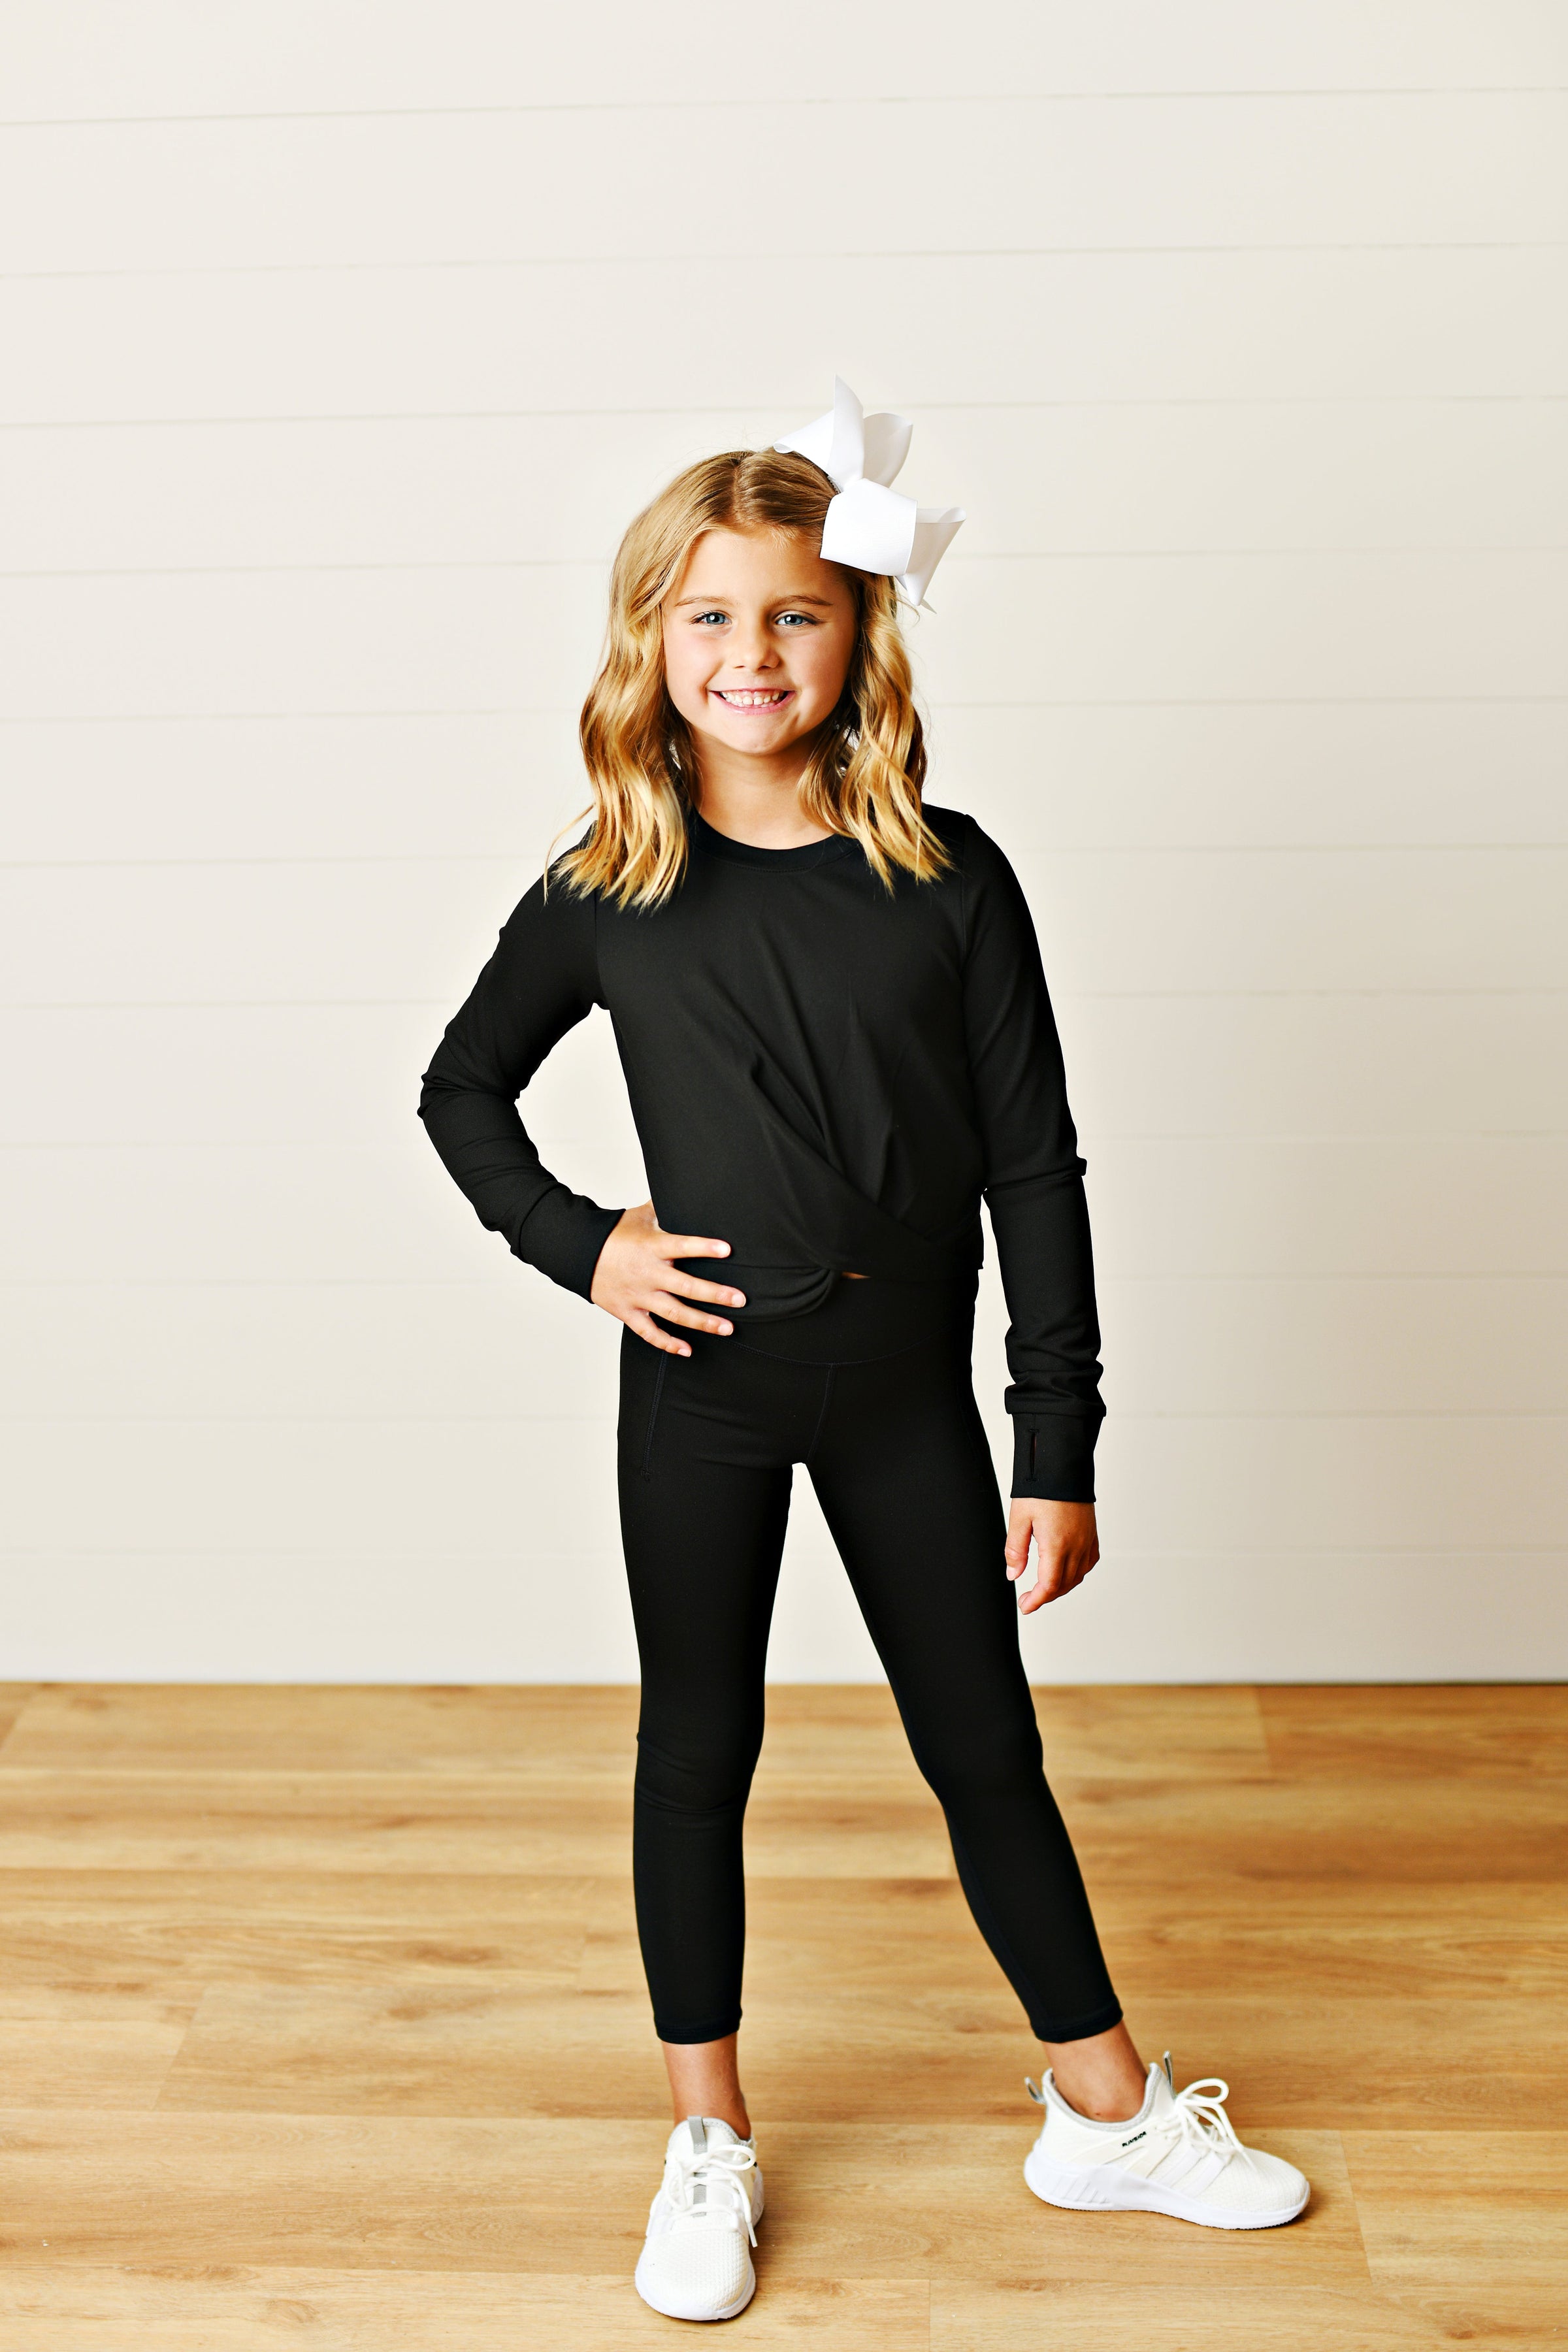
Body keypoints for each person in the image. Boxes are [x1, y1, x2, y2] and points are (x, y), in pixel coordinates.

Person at [417, 384, 1309, 2323]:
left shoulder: (951, 877)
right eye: (712, 615)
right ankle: (707, 2139)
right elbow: (460, 1089)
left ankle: (1105, 2113)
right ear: (654, 635)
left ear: (860, 633)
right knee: (697, 1752)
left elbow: (1034, 1167)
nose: (752, 654)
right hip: (706, 1397)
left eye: (795, 614)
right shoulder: (609, 887)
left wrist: (1056, 1441)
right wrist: (586, 1246)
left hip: (909, 1398)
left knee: (985, 1748)